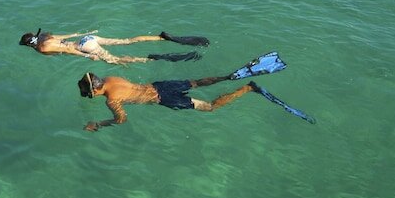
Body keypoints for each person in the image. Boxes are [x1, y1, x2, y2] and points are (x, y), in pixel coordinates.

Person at [77, 71, 260, 131]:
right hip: (160, 85)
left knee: (209, 107)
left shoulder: (112, 100)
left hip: (163, 98)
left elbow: (121, 120)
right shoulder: (111, 78)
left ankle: (247, 88)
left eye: (89, 93)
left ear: (95, 89)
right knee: (196, 83)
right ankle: (229, 77)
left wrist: (98, 124)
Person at [18, 29, 208, 65]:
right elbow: (65, 37)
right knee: (126, 41)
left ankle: (155, 58)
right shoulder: (45, 36)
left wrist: (86, 56)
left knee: (116, 61)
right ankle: (161, 38)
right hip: (87, 38)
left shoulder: (42, 48)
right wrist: (83, 33)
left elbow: (68, 49)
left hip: (84, 48)